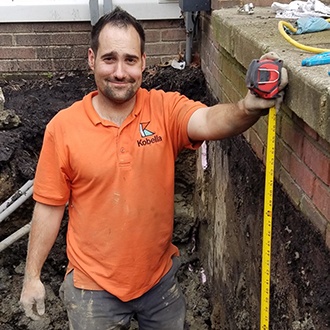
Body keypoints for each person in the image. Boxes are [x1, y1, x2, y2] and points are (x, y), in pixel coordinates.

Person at [19, 6, 288, 330]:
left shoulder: (164, 108)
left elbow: (208, 120)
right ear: (92, 59)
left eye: (130, 60)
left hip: (159, 283)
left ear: (143, 63)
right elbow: (49, 206)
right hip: (92, 289)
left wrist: (248, 107)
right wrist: (32, 276)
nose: (120, 71)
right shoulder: (63, 128)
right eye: (109, 59)